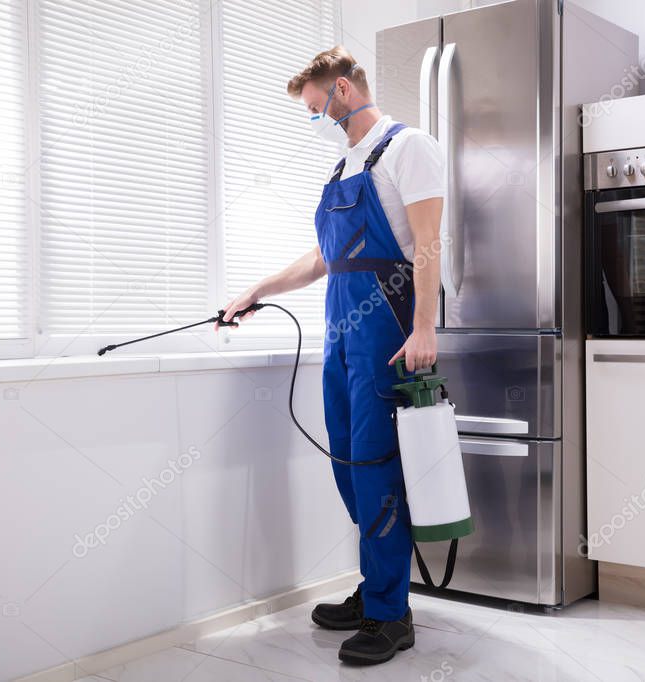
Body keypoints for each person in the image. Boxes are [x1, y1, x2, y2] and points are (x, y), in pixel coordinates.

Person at [218, 45, 445, 666]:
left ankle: (391, 614)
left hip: (388, 332)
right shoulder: (344, 167)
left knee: (376, 465)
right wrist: (256, 290)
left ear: (342, 90)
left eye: (317, 108)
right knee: (347, 462)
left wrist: (424, 327)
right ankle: (377, 585)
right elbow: (324, 259)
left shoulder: (408, 147)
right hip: (341, 334)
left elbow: (428, 243)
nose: (316, 119)